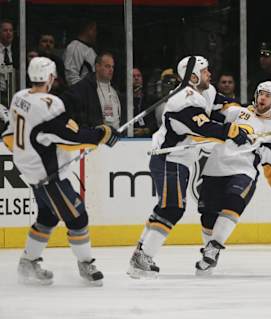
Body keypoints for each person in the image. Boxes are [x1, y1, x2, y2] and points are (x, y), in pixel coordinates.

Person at [127, 56, 251, 278]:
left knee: (166, 207)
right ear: (193, 76)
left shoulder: (206, 91)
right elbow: (202, 127)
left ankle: (140, 253)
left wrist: (243, 115)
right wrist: (231, 131)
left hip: (180, 160)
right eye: (205, 72)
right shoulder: (184, 99)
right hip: (169, 158)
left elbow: (223, 104)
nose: (209, 74)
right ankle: (142, 259)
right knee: (173, 208)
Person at [1, 57, 120, 285]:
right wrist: (101, 134)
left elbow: (9, 135)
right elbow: (69, 138)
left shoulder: (19, 97)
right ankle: (86, 264)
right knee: (78, 217)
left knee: (47, 216)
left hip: (32, 171)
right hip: (50, 176)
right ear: (51, 77)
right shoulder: (49, 104)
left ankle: (28, 262)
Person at [195, 81, 271, 275]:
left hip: (243, 171)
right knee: (208, 218)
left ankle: (214, 247)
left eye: (269, 96)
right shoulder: (235, 112)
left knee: (234, 201)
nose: (263, 98)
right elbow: (208, 116)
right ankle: (209, 254)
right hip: (215, 168)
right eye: (261, 93)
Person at [61, 52, 125, 129]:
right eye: (107, 66)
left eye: (112, 67)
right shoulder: (83, 88)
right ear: (97, 67)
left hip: (118, 137)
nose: (111, 69)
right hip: (94, 137)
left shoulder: (115, 91)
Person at [63, 20, 97, 86]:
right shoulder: (74, 47)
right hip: (81, 94)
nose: (96, 34)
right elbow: (71, 77)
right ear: (89, 29)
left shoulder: (90, 49)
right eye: (95, 30)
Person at [132, 67, 156, 137]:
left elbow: (154, 123)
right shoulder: (124, 100)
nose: (136, 78)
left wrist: (145, 130)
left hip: (147, 138)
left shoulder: (148, 99)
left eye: (138, 76)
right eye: (133, 76)